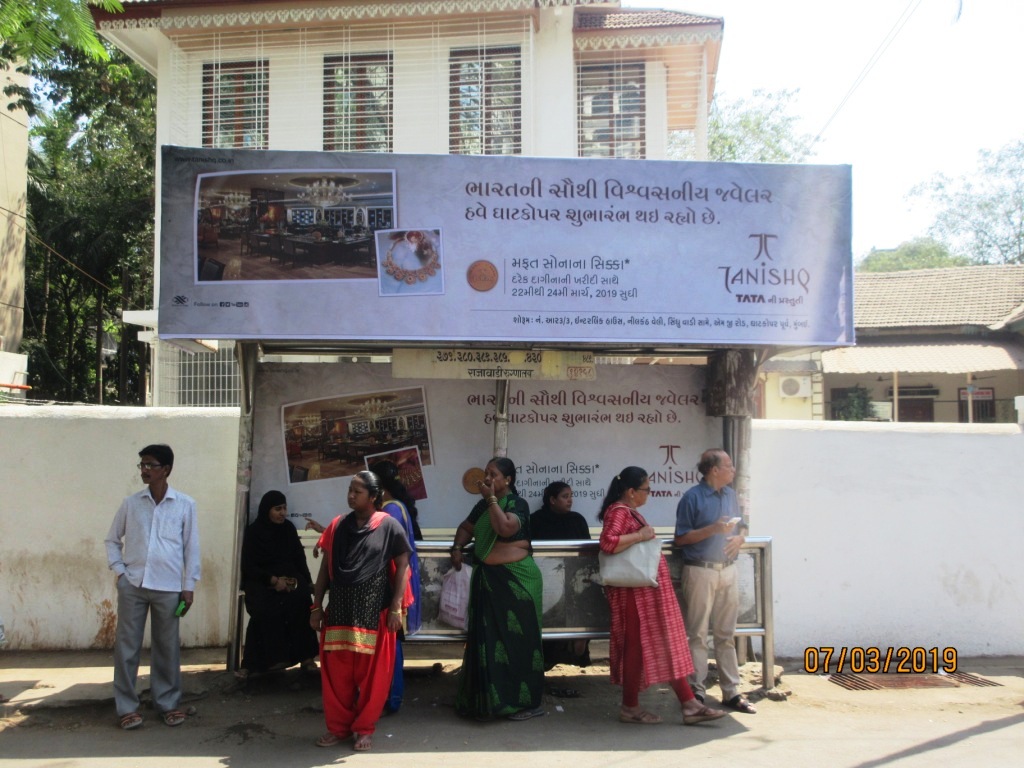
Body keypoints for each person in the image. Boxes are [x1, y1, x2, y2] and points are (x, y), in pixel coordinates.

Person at [598, 466, 726, 726]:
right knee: (639, 648)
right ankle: (638, 707)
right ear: (631, 492)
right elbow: (608, 543)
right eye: (646, 489)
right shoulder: (620, 512)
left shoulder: (626, 511)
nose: (649, 494)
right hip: (633, 594)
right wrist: (641, 535)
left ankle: (686, 704)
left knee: (659, 645)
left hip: (643, 593)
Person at [310, 471, 412, 752]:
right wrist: (316, 606)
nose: (350, 495)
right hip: (338, 615)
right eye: (349, 490)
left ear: (374, 496)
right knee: (336, 680)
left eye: (357, 491)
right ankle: (338, 728)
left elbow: (403, 566)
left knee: (373, 681)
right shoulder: (337, 526)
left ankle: (364, 729)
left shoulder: (389, 526)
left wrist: (395, 609)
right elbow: (324, 571)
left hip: (374, 616)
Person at [104, 444, 201, 731]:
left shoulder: (185, 505)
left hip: (169, 588)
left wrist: (188, 586)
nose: (145, 470)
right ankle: (126, 707)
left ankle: (168, 704)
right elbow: (111, 540)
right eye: (142, 465)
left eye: (150, 464)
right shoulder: (131, 504)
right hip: (133, 584)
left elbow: (191, 548)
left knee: (167, 648)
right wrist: (120, 573)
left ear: (166, 469)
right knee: (127, 647)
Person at [450, 457, 545, 721]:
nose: (488, 478)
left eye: (493, 474)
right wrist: (457, 547)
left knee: (519, 644)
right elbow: (465, 528)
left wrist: (492, 500)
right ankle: (490, 702)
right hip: (488, 582)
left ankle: (524, 704)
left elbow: (504, 526)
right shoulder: (482, 505)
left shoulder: (517, 504)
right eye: (486, 474)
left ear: (508, 480)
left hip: (518, 584)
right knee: (489, 643)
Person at [674, 449, 757, 715]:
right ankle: (696, 690)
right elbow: (681, 538)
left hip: (727, 568)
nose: (733, 470)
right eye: (728, 466)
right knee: (697, 633)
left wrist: (740, 537)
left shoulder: (731, 495)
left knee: (725, 634)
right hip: (700, 569)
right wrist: (713, 529)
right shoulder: (692, 498)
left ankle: (731, 691)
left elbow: (742, 525)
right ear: (713, 470)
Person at [237, 490, 319, 681]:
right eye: (277, 509)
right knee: (267, 607)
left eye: (284, 508)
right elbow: (250, 565)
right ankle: (265, 661)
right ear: (267, 510)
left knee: (300, 599)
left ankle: (306, 658)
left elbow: (299, 557)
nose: (282, 513)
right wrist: (273, 581)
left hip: (290, 579)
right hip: (261, 581)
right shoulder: (254, 532)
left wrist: (307, 582)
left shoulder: (288, 529)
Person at [368, 460, 422, 713]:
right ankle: (390, 696)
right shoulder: (397, 507)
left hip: (391, 585)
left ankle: (389, 697)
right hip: (393, 584)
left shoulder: (390, 511)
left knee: (389, 642)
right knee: (391, 641)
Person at [530, 482, 592, 674]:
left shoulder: (577, 520)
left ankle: (575, 650)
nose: (570, 500)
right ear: (552, 500)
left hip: (572, 582)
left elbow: (587, 552)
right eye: (565, 496)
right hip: (545, 584)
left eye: (571, 496)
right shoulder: (536, 521)